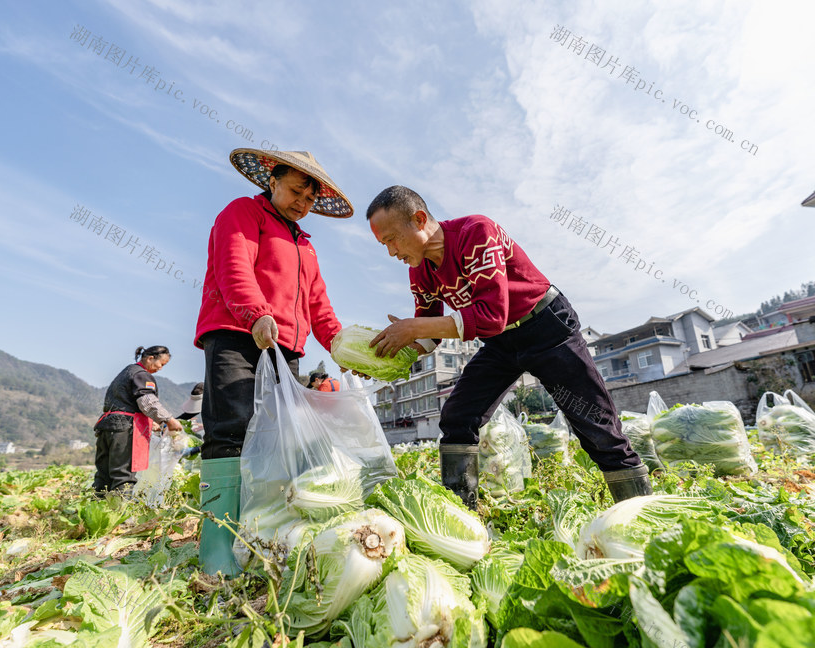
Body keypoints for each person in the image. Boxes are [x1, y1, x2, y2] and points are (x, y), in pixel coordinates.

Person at [366, 186, 652, 509]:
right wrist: (381, 355)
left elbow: (490, 315)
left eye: (392, 239)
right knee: (457, 416)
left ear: (419, 220)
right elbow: (429, 337)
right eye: (384, 244)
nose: (391, 252)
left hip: (546, 326)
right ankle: (461, 513)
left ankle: (641, 513)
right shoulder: (419, 271)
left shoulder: (475, 232)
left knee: (595, 423)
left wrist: (414, 327)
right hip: (500, 343)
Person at [194, 149, 353, 575]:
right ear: (272, 180)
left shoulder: (305, 246)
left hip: (285, 350)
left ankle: (261, 538)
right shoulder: (244, 213)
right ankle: (218, 552)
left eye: (310, 198)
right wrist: (255, 314)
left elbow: (319, 306)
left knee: (277, 438)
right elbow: (234, 269)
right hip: (237, 333)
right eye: (296, 191)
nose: (303, 202)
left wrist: (341, 346)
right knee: (232, 430)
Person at [93, 345, 182, 496]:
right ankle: (121, 509)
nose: (160, 368)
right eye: (161, 364)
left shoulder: (128, 371)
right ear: (150, 358)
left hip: (107, 426)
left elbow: (126, 404)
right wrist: (169, 420)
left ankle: (97, 507)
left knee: (104, 475)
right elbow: (147, 402)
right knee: (123, 475)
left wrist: (152, 423)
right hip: (124, 429)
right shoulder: (141, 375)